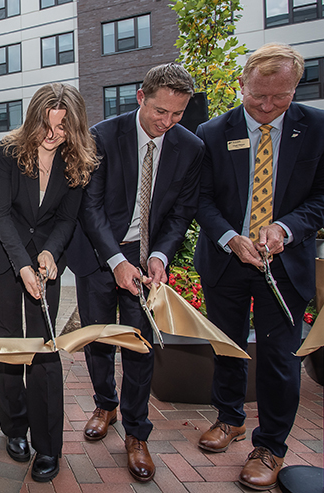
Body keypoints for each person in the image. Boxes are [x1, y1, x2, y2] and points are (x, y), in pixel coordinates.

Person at [194, 43, 324, 490]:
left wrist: (285, 228)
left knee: (281, 358)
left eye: (279, 97)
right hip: (226, 259)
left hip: (285, 264)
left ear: (294, 87)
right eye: (257, 96)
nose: (266, 107)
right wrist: (229, 237)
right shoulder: (211, 131)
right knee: (227, 346)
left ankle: (271, 446)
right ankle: (229, 419)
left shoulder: (322, 127)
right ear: (241, 84)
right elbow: (199, 197)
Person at [67, 63, 205, 483]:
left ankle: (137, 432)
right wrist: (116, 261)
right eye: (161, 111)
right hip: (98, 255)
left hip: (147, 258)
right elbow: (89, 209)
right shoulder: (103, 137)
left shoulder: (190, 148)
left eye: (178, 114)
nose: (167, 122)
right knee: (98, 338)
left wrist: (160, 256)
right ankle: (105, 404)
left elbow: (181, 213)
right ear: (142, 98)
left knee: (140, 346)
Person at [0, 83, 98, 483]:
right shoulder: (9, 151)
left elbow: (66, 219)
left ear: (74, 127)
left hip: (47, 258)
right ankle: (14, 429)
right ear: (34, 120)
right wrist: (22, 266)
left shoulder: (78, 158)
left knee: (45, 350)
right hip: (3, 253)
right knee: (9, 343)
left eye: (62, 128)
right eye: (46, 126)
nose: (52, 135)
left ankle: (48, 446)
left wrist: (49, 254)